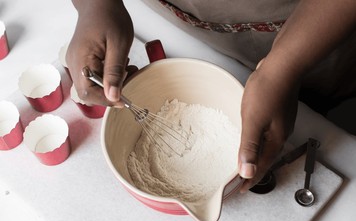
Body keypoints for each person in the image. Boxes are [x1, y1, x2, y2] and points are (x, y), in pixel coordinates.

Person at [66, 0, 356, 193]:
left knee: (313, 117)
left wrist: (285, 68)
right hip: (178, 21)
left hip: (306, 29)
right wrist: (96, 6)